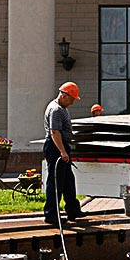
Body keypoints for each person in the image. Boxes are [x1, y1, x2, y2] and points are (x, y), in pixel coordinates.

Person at [44, 82, 83, 227]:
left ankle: (73, 210)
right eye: (71, 99)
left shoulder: (62, 108)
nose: (73, 102)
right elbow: (55, 132)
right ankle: (51, 214)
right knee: (56, 182)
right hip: (56, 148)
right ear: (64, 95)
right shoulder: (56, 110)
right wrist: (62, 151)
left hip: (61, 146)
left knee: (68, 180)